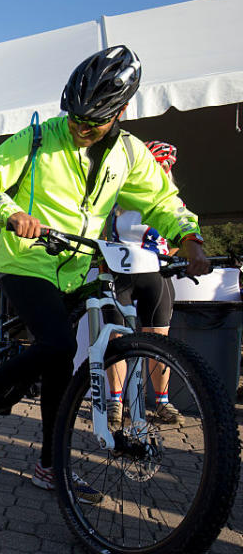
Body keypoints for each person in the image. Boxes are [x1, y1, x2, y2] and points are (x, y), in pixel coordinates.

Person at [0, 45, 208, 501]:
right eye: (75, 117)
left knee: (62, 364)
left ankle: (50, 464)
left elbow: (163, 200)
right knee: (60, 345)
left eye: (93, 121)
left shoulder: (130, 153)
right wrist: (9, 214)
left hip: (77, 269)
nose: (80, 128)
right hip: (25, 260)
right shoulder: (40, 138)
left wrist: (189, 237)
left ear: (121, 111)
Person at [105, 140, 183, 424]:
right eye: (155, 165)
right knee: (116, 338)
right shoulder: (119, 198)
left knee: (158, 341)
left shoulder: (171, 201)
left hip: (155, 275)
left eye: (165, 166)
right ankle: (115, 401)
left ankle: (161, 401)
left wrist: (163, 255)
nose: (160, 170)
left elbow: (179, 239)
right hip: (120, 273)